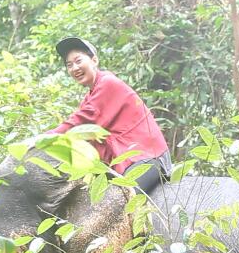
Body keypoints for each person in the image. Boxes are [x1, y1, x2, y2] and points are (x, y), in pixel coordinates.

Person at [47, 36, 172, 194]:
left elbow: (80, 123)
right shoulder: (89, 98)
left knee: (123, 204)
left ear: (94, 60)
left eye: (78, 61)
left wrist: (43, 139)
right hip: (124, 164)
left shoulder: (108, 83)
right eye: (69, 65)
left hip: (147, 158)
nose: (74, 68)